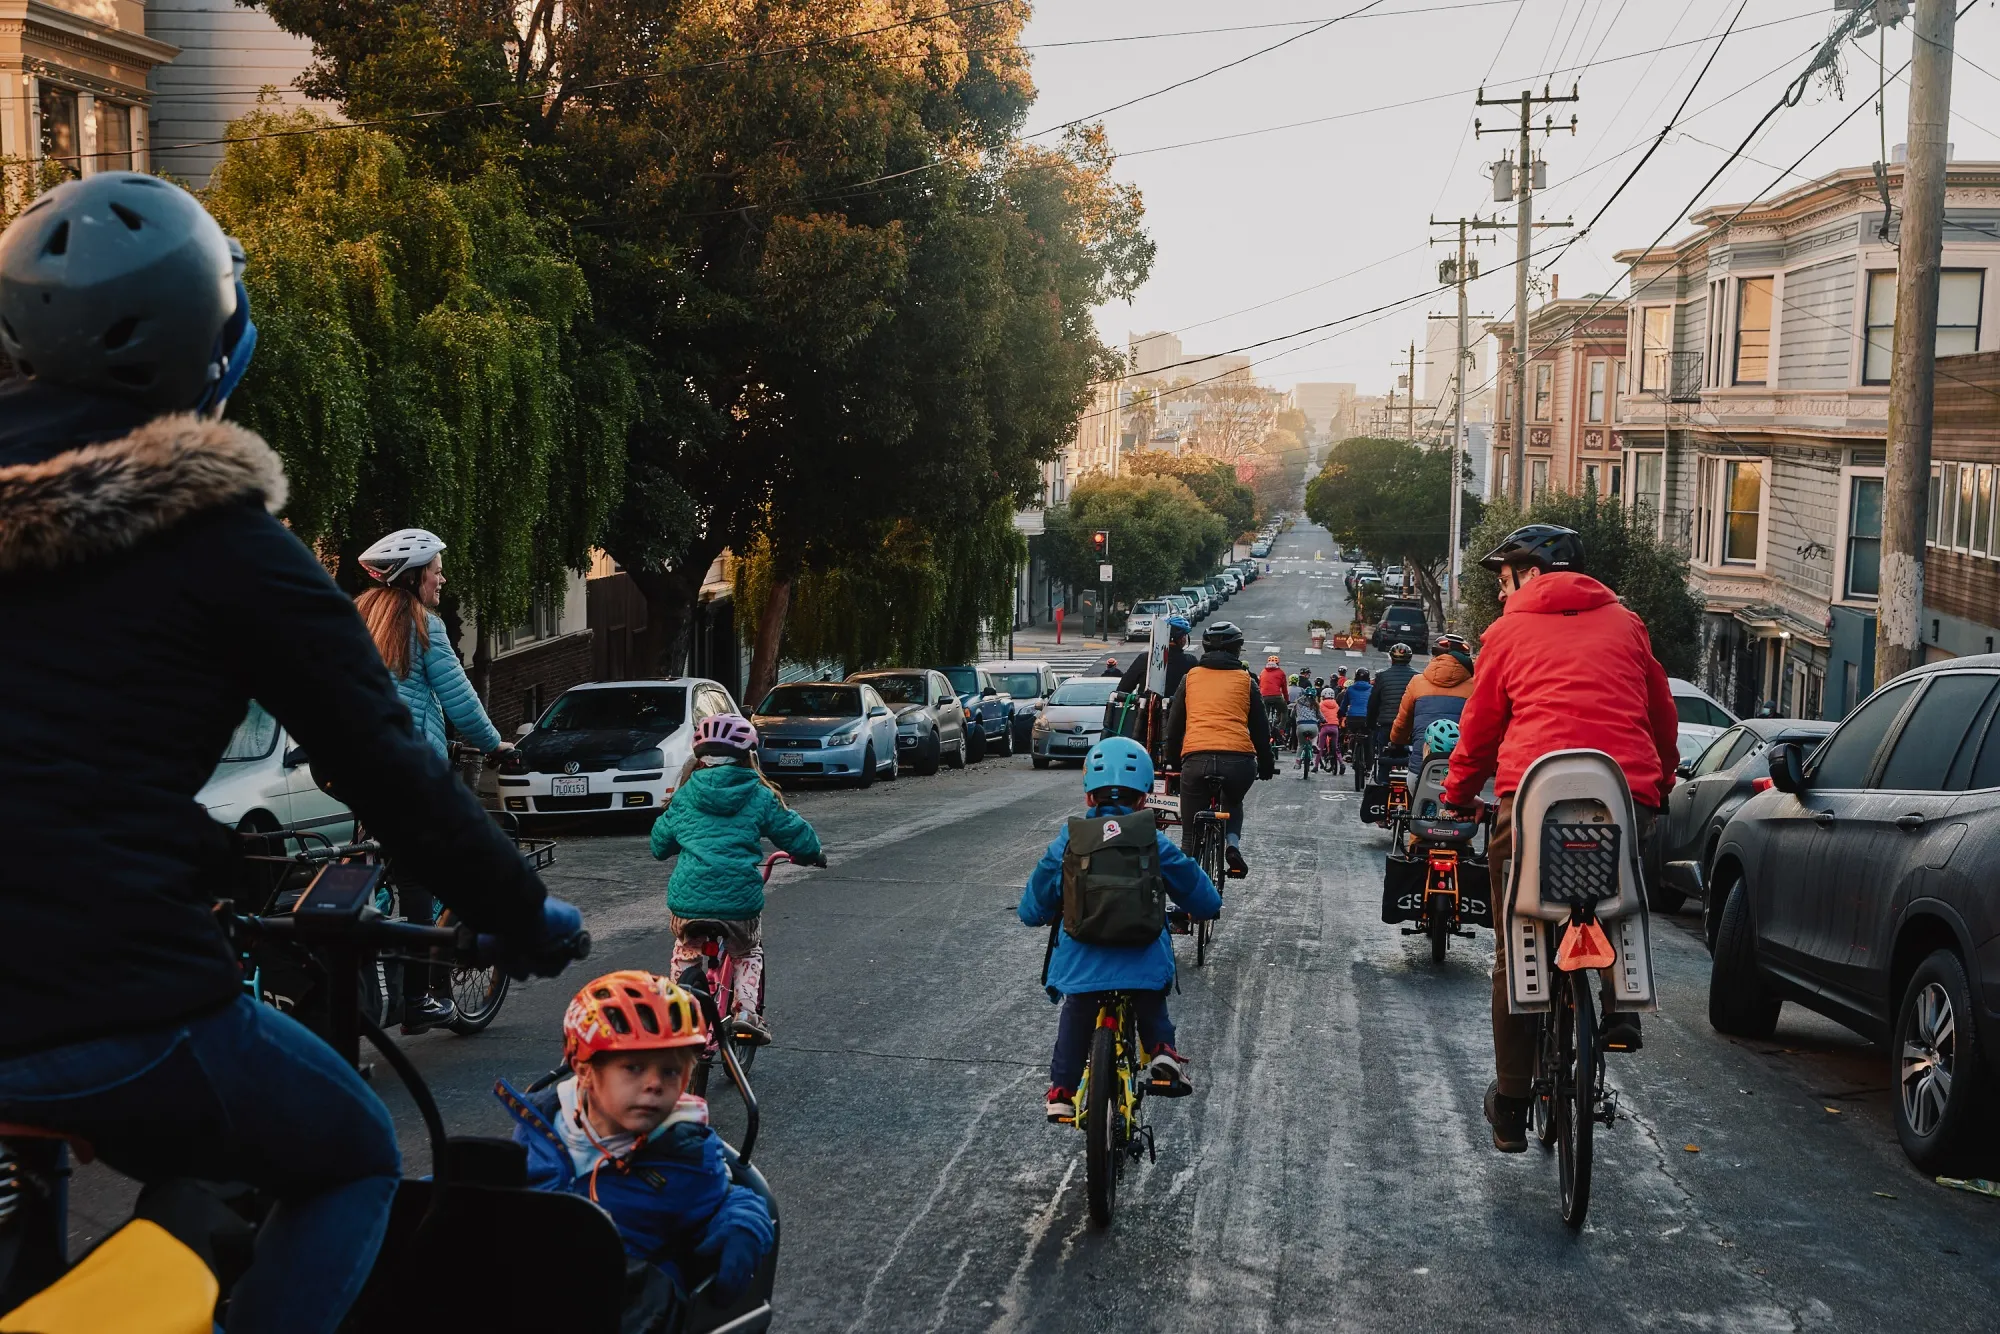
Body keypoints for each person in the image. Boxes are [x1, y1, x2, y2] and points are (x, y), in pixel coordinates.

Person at [0, 172, 584, 1334]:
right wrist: (519, 912)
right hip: (97, 988)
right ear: (207, 344)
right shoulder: (224, 541)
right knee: (345, 1152)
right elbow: (385, 767)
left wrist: (193, 840)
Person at [1437, 524, 1679, 1155]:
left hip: (1530, 802)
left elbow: (1481, 727)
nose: (1498, 593)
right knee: (1618, 888)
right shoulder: (1629, 625)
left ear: (1530, 575)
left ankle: (1513, 1103)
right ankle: (1621, 1003)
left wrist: (1458, 794)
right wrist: (1662, 781)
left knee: (1518, 940)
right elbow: (1661, 714)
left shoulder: (1506, 634)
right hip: (1623, 795)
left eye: (1503, 579)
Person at [494, 972, 775, 1300]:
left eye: (670, 1071)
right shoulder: (541, 1129)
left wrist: (741, 1222)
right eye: (634, 1068)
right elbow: (494, 1198)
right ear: (585, 1070)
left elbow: (728, 1198)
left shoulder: (685, 1153)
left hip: (628, 1304)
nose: (655, 1084)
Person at [355, 527, 515, 1032]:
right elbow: (461, 700)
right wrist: (495, 746)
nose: (441, 577)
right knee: (420, 877)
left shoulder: (358, 619)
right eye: (436, 568)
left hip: (359, 770)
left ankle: (365, 946)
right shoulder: (424, 626)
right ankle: (418, 998)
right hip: (408, 774)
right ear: (414, 576)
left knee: (372, 865)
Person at [1018, 738, 1221, 1122]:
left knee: (1077, 1011)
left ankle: (1061, 1091)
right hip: (1141, 956)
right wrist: (1203, 909)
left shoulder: (1070, 840)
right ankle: (1162, 1051)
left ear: (1089, 797)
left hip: (1082, 964)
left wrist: (1035, 914)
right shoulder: (1152, 839)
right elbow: (1201, 895)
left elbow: (1037, 899)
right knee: (1148, 995)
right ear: (1144, 798)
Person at [650, 715, 823, 1046]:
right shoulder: (759, 795)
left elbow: (659, 845)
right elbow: (795, 833)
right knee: (747, 951)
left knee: (686, 948)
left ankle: (678, 1010)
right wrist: (812, 853)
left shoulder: (684, 797)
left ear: (699, 757)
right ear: (749, 756)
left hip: (689, 901)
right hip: (738, 902)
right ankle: (745, 1013)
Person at [1164, 622, 1276, 877]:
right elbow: (1260, 730)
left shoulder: (1190, 678)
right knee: (1233, 802)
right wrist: (1267, 764)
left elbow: (1173, 727)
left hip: (1196, 758)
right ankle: (1232, 845)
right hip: (1239, 761)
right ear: (1237, 650)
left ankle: (1185, 897)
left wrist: (1173, 760)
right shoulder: (1246, 681)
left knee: (1190, 834)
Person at [1388, 632, 1476, 750]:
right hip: (1460, 756)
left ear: (1434, 656)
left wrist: (1397, 741)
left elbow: (1403, 721)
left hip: (1423, 755)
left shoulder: (1417, 682)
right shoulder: (1476, 686)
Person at [1114, 616, 1197, 700]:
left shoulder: (1146, 659)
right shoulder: (1190, 662)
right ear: (1182, 639)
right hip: (1180, 712)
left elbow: (1123, 689)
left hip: (1148, 711)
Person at [1367, 642, 1418, 761]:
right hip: (1410, 724)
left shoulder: (1382, 676)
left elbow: (1373, 702)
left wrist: (1370, 723)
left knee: (1384, 754)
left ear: (1391, 658)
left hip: (1387, 723)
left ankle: (1383, 777)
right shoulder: (1418, 677)